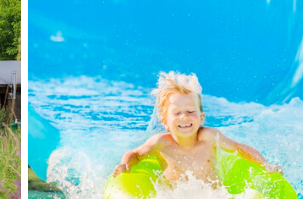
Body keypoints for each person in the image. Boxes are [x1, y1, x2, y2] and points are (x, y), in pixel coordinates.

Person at [112, 72, 282, 185]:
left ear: (201, 118)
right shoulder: (161, 143)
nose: (184, 117)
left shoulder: (209, 136)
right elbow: (135, 153)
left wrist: (265, 165)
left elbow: (239, 148)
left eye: (190, 111)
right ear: (165, 120)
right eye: (177, 113)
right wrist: (124, 165)